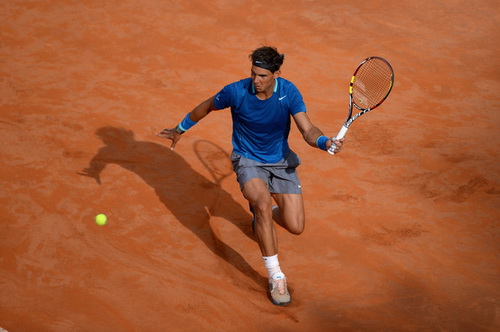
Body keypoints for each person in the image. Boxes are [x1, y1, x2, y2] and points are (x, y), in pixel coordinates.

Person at [157, 46, 344, 306]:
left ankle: (260, 219)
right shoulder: (236, 91)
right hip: (248, 160)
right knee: (263, 203)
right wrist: (180, 128)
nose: (256, 80)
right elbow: (208, 106)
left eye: (263, 76)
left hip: (280, 161)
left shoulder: (288, 92)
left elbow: (308, 129)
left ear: (276, 74)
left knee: (295, 226)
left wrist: (324, 142)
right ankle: (276, 275)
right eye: (253, 74)